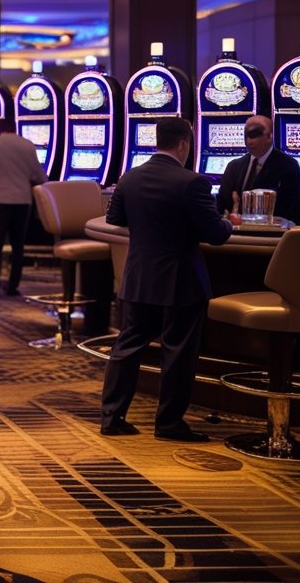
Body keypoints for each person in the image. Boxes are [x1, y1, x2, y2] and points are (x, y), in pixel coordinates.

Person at [100, 117, 236, 442]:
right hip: (180, 281)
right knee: (177, 352)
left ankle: (112, 417)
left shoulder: (129, 178)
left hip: (139, 277)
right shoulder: (193, 182)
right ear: (184, 145)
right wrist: (230, 221)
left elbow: (114, 218)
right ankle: (169, 423)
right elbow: (216, 235)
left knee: (128, 346)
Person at [0, 114, 47, 297]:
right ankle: (13, 286)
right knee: (18, 246)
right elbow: (39, 177)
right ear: (15, 128)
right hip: (22, 202)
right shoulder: (27, 145)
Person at [216, 114, 300, 224]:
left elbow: (287, 208)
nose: (249, 141)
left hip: (273, 235)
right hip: (236, 233)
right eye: (246, 136)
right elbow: (222, 205)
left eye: (255, 135)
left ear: (269, 136)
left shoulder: (289, 166)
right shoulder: (234, 166)